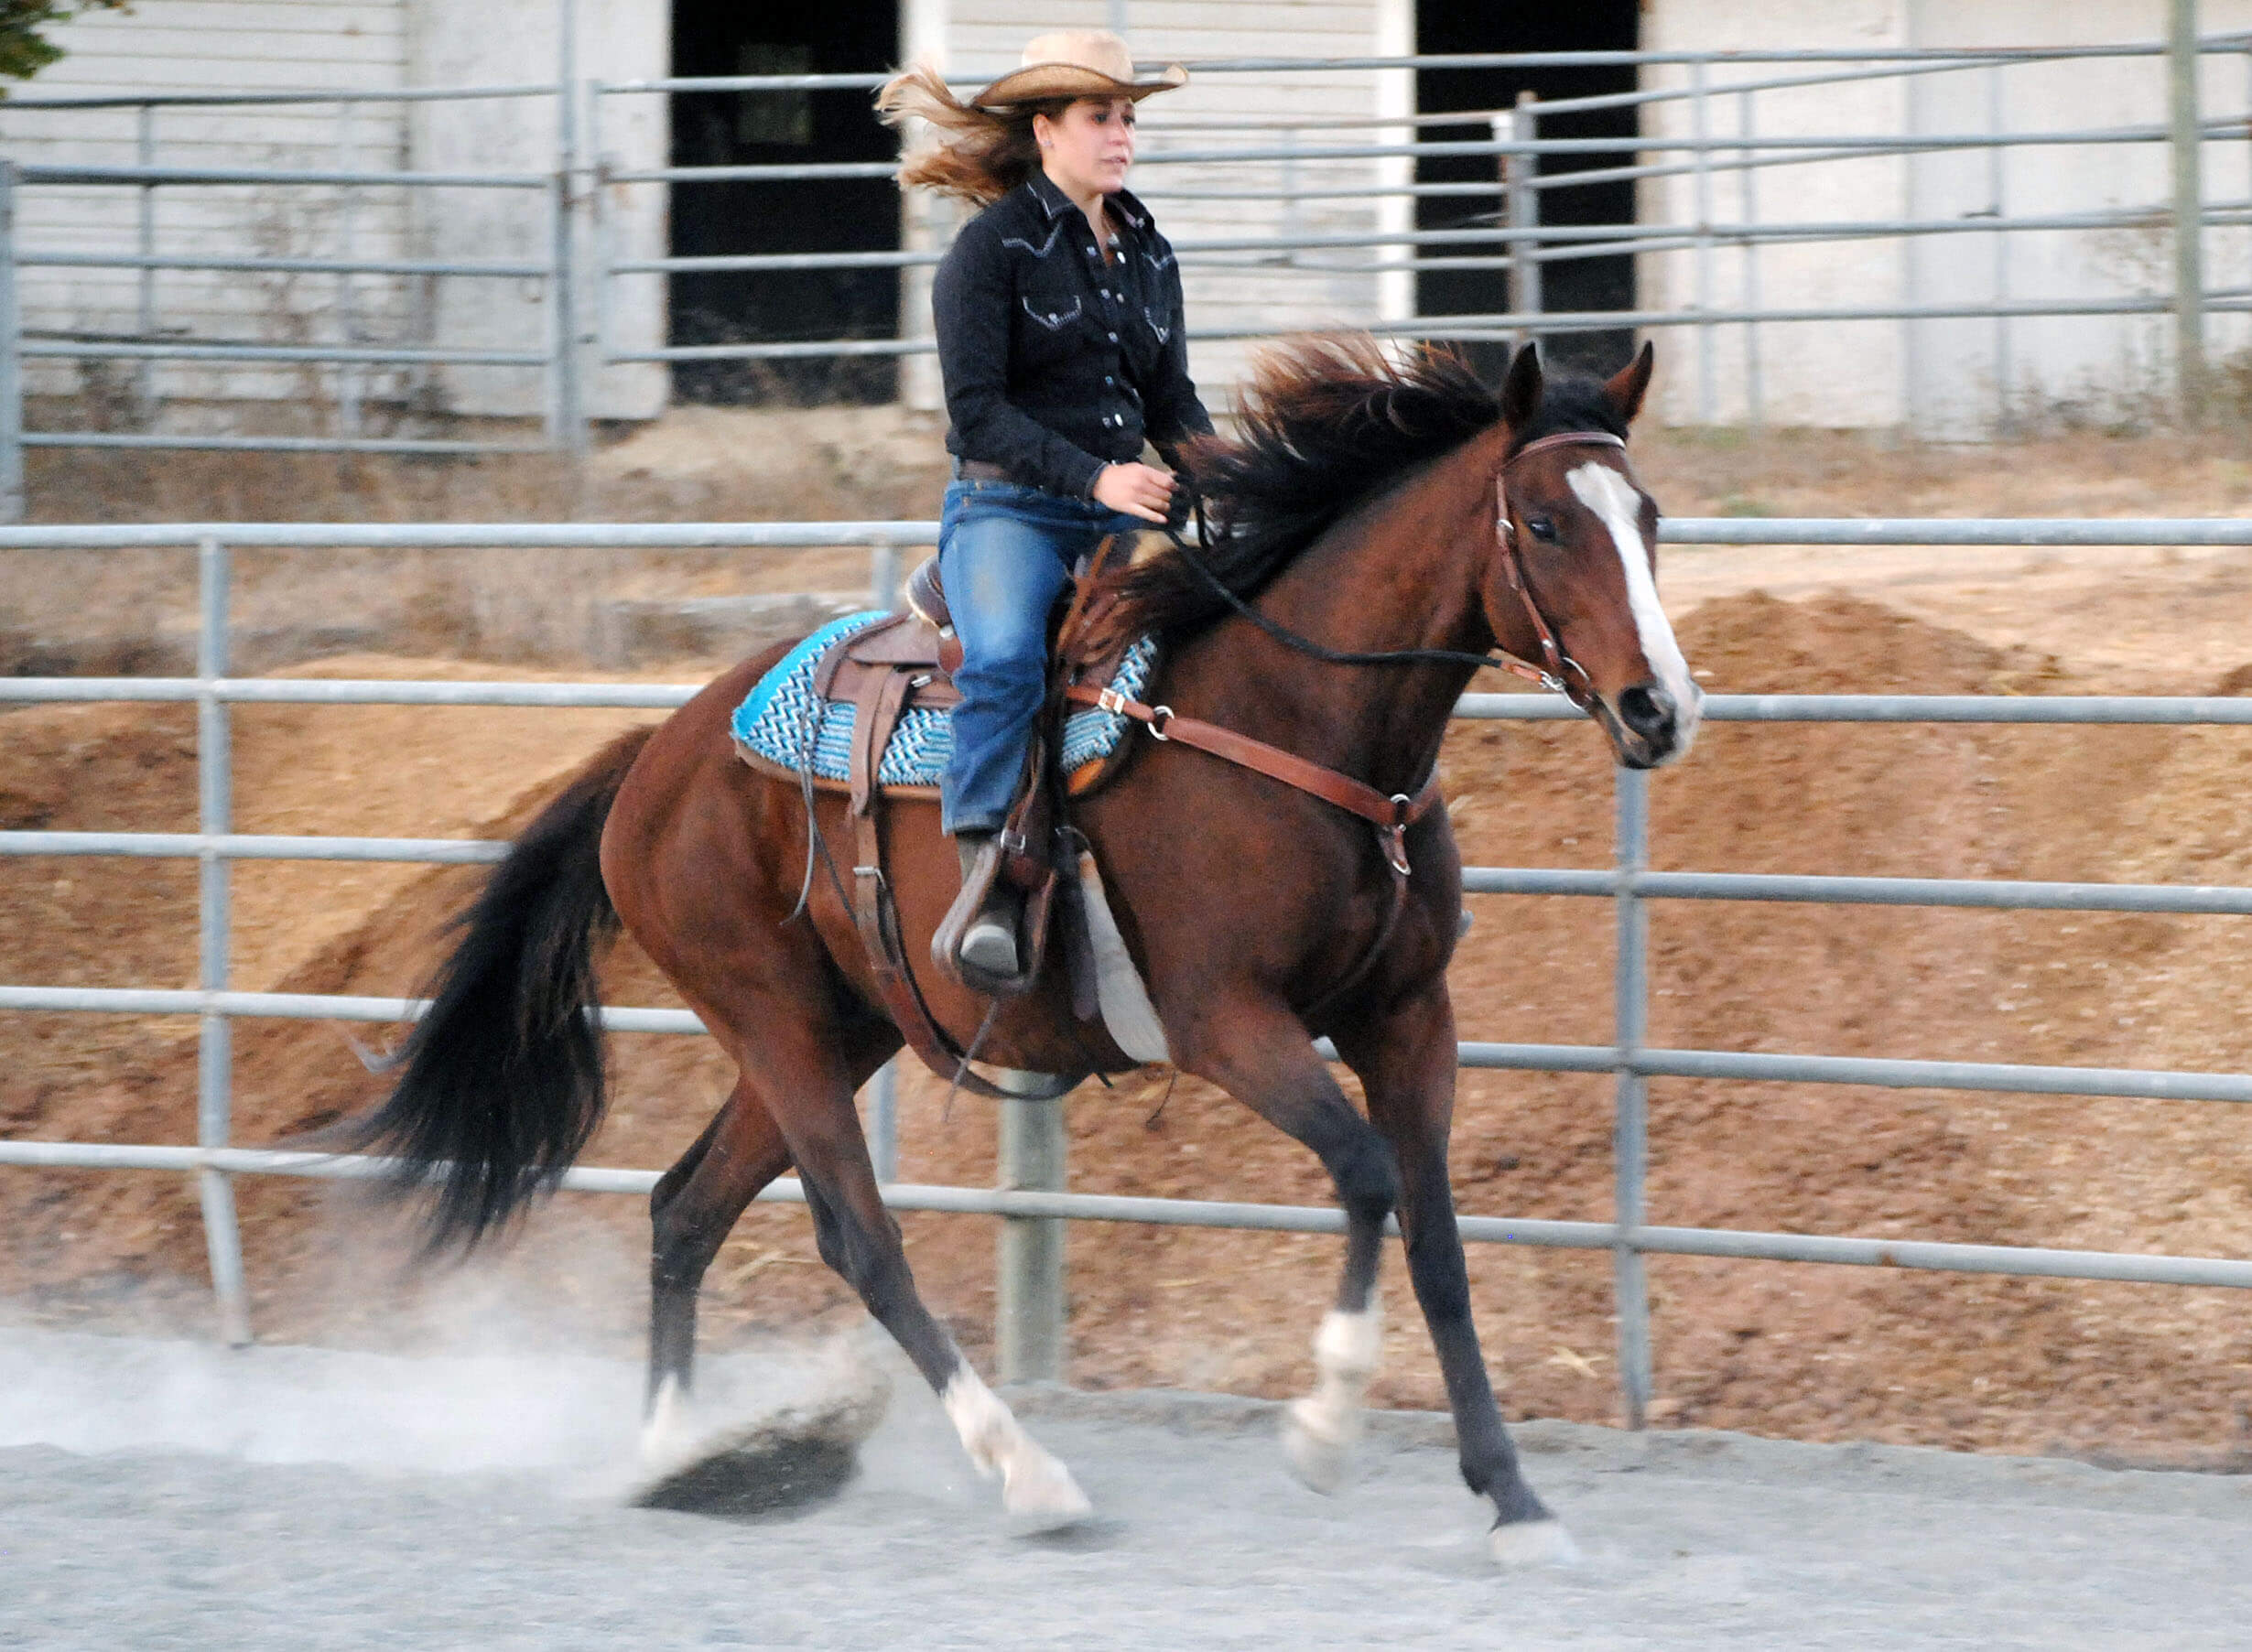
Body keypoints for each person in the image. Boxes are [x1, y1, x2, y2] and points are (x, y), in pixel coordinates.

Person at [878, 30, 1212, 984]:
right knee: (1009, 658)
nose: (1121, 134)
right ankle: (985, 870)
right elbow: (977, 410)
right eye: (1101, 116)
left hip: (1118, 518)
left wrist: (1224, 477)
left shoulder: (1147, 249)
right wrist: (1100, 479)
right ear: (1047, 129)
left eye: (1128, 116)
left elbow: (1170, 401)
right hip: (1011, 511)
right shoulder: (990, 252)